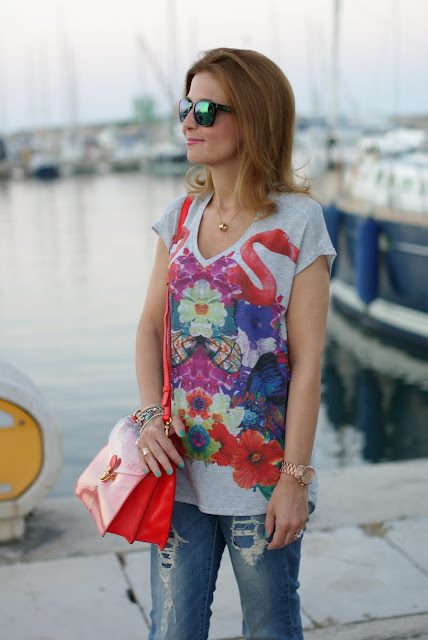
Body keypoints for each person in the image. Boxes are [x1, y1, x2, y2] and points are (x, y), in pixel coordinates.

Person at [135, 47, 336, 640]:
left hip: (260, 481)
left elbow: (306, 366)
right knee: (171, 631)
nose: (188, 122)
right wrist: (150, 417)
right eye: (185, 105)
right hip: (177, 472)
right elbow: (150, 327)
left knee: (271, 629)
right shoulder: (176, 218)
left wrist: (294, 479)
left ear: (253, 117)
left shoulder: (298, 223)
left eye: (206, 108)